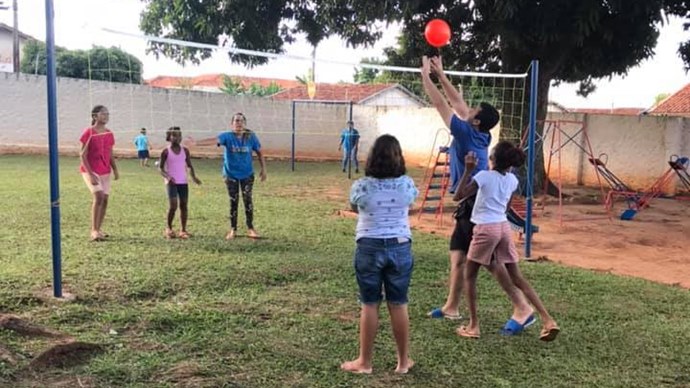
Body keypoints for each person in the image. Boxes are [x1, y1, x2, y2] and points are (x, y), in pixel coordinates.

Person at [421, 55, 535, 333]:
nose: (467, 109)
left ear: (475, 121)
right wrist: (442, 73)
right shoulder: (478, 132)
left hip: (474, 203)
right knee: (458, 257)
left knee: (489, 262)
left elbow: (441, 104)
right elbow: (459, 104)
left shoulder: (466, 133)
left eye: (473, 111)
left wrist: (426, 76)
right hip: (470, 203)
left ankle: (523, 308)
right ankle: (451, 306)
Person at [455, 142, 560, 341]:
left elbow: (459, 196)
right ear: (510, 163)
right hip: (503, 228)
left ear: (492, 159)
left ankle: (473, 326)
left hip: (485, 228)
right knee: (518, 278)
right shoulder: (512, 179)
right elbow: (506, 207)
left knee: (469, 276)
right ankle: (548, 320)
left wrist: (467, 170)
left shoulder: (483, 176)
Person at [341, 134, 418, 375]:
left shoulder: (362, 185)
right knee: (398, 303)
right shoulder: (406, 184)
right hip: (400, 245)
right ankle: (403, 362)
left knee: (369, 303)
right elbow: (411, 204)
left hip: (369, 246)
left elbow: (355, 206)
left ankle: (365, 362)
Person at [217, 113, 267, 240]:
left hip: (247, 174)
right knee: (233, 201)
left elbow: (260, 152)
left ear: (244, 124)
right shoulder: (227, 136)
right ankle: (233, 229)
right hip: (231, 175)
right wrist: (196, 143)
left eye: (241, 121)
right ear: (232, 124)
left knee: (247, 200)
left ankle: (251, 228)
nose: (238, 123)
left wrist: (263, 169)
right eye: (236, 121)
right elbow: (214, 140)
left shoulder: (251, 137)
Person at [79, 105, 119, 242]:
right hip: (90, 170)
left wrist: (115, 169)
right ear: (95, 116)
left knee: (105, 199)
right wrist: (90, 174)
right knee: (98, 195)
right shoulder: (89, 132)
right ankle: (94, 230)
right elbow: (82, 155)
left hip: (105, 170)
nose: (106, 116)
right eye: (103, 114)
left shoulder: (109, 133)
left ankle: (99, 229)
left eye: (107, 114)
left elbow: (110, 153)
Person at [159, 127, 202, 239]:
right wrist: (167, 177)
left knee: (184, 205)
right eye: (174, 135)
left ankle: (183, 230)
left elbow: (189, 165)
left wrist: (193, 177)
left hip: (183, 182)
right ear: (169, 137)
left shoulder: (185, 151)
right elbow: (160, 168)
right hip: (171, 183)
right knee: (173, 206)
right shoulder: (165, 151)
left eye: (179, 135)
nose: (177, 138)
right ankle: (168, 228)